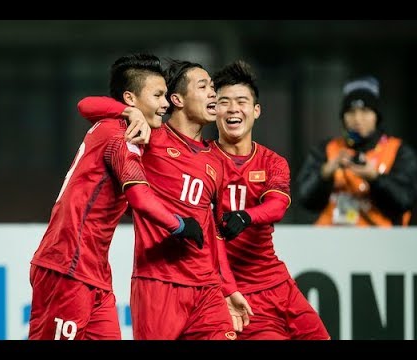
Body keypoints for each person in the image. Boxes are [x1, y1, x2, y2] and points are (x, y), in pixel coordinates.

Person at [28, 53, 204, 340]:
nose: (164, 104)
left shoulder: (114, 124)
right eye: (158, 95)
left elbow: (86, 105)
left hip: (93, 272)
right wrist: (180, 225)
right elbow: (140, 199)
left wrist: (128, 112)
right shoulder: (121, 136)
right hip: (68, 267)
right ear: (131, 98)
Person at [77, 59, 252, 340]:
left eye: (213, 87)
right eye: (204, 86)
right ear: (177, 99)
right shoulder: (149, 136)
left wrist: (228, 288)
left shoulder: (218, 161)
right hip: (158, 283)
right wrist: (130, 112)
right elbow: (86, 106)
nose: (213, 93)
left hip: (205, 288)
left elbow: (213, 232)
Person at [212, 60, 330, 339]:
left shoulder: (272, 162)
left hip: (277, 280)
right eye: (224, 101)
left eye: (241, 101)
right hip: (239, 291)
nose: (232, 109)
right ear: (213, 109)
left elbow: (277, 206)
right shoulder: (203, 160)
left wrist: (246, 216)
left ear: (256, 110)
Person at [296, 76, 417, 226]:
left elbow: (404, 200)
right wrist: (325, 173)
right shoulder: (327, 150)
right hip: (331, 241)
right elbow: (304, 199)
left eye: (365, 111)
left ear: (376, 116)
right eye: (351, 112)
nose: (357, 119)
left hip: (383, 243)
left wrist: (375, 179)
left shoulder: (399, 151)